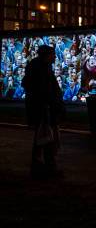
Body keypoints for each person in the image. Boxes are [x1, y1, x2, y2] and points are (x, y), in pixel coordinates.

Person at [22, 45, 65, 179]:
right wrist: (50, 105)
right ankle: (48, 169)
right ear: (47, 55)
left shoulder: (40, 66)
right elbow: (45, 91)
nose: (55, 57)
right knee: (46, 140)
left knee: (42, 140)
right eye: (53, 54)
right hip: (44, 110)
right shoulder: (40, 68)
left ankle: (39, 167)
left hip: (43, 109)